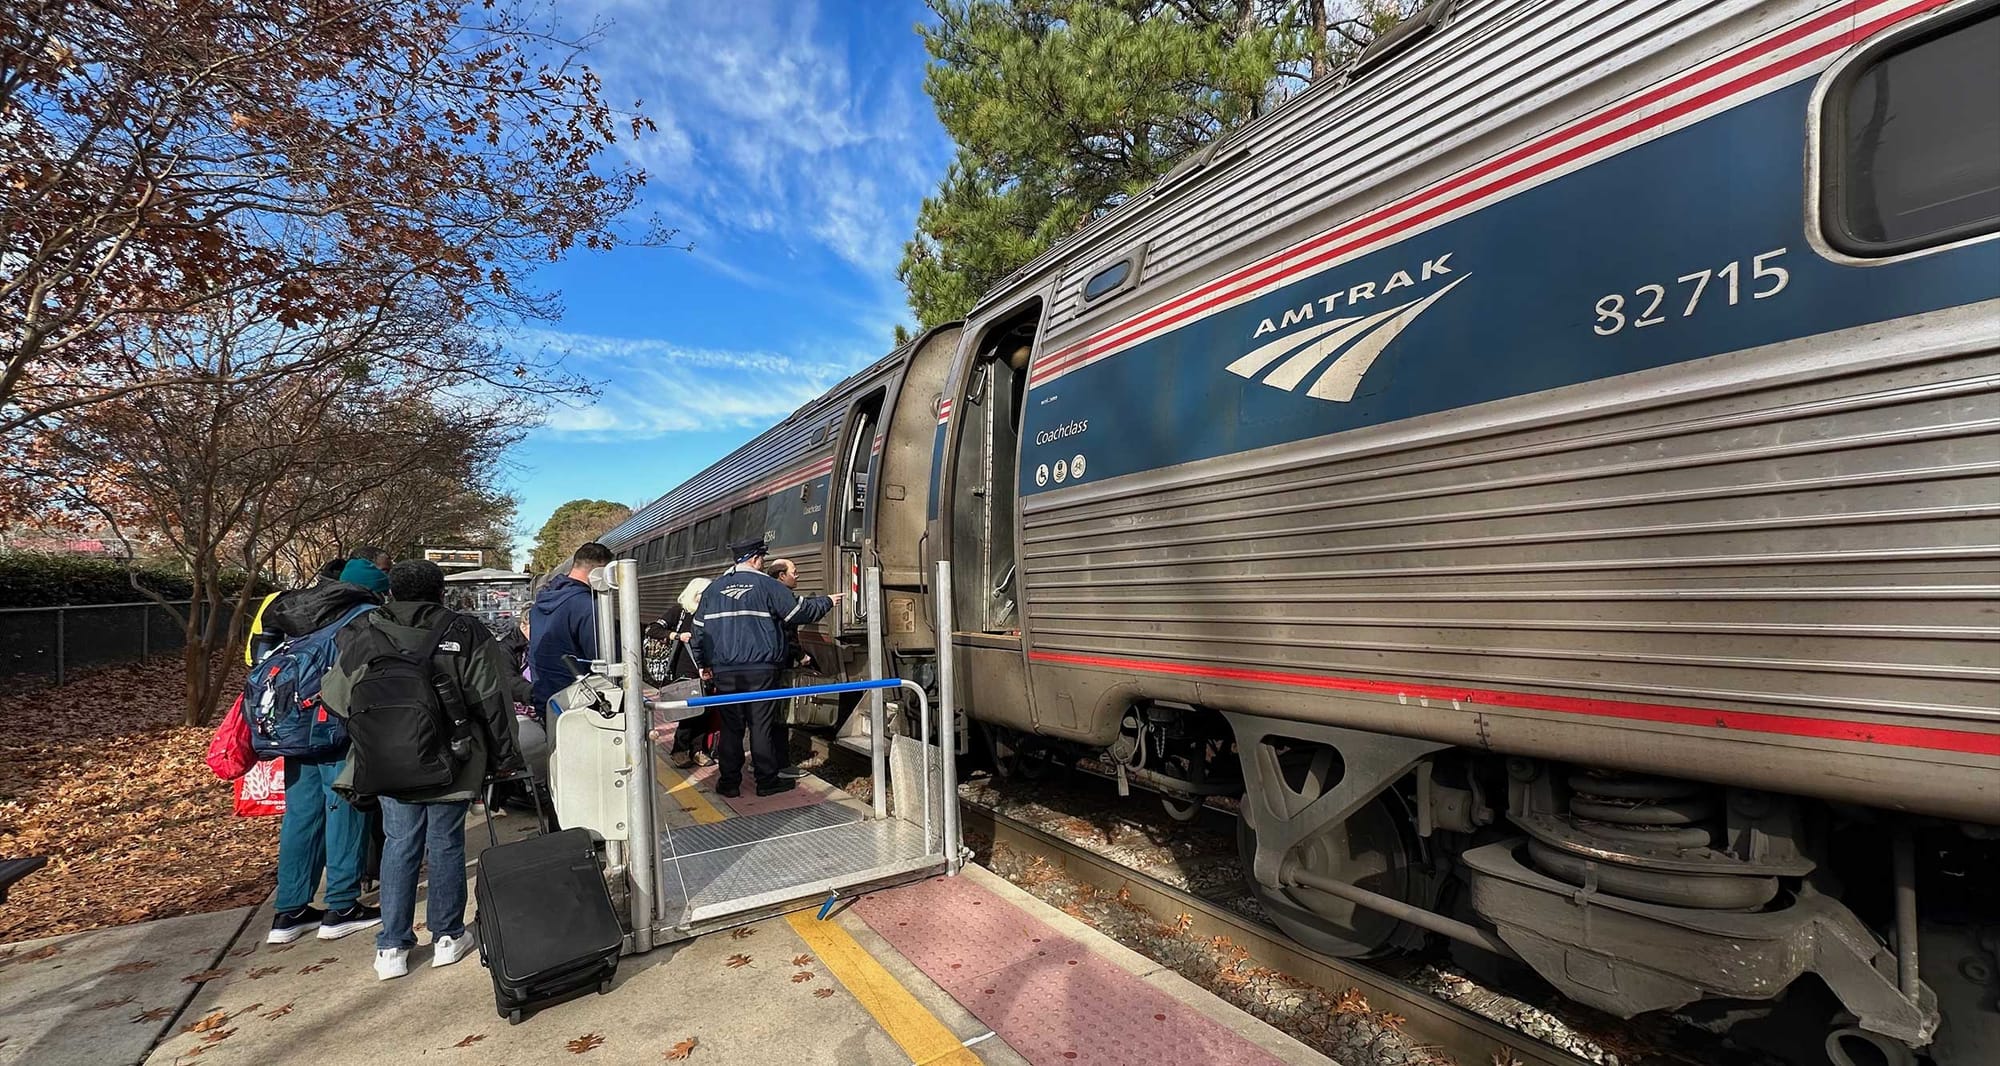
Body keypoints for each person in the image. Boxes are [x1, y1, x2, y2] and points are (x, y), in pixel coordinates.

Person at [320, 560, 526, 981]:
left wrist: (382, 729)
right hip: (455, 756)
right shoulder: (465, 631)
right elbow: (492, 700)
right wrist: (506, 758)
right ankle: (448, 937)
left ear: (391, 593)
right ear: (441, 593)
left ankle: (391, 948)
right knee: (445, 842)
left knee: (399, 843)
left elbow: (336, 697)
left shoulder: (364, 632)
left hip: (387, 763)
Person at [258, 580, 386, 945]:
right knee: (344, 809)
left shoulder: (301, 622)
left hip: (293, 731)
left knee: (300, 816)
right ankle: (341, 906)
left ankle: (290, 910)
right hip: (335, 730)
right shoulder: (362, 616)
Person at [689, 540, 838, 798]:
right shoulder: (768, 585)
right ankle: (767, 781)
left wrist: (703, 665)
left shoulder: (713, 590)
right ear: (757, 559)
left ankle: (729, 783)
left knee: (731, 727)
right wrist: (828, 602)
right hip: (761, 669)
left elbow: (698, 633)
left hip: (725, 671)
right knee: (761, 725)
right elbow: (798, 612)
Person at [528, 543, 610, 718]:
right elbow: (602, 659)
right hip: (580, 705)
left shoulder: (540, 602)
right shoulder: (587, 606)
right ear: (599, 572)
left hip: (548, 700)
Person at [762, 558, 817, 779]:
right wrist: (801, 655)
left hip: (765, 664)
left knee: (765, 717)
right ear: (781, 576)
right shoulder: (782, 598)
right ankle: (781, 765)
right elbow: (787, 634)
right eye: (794, 571)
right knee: (780, 715)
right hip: (779, 665)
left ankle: (761, 763)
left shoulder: (766, 594)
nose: (798, 575)